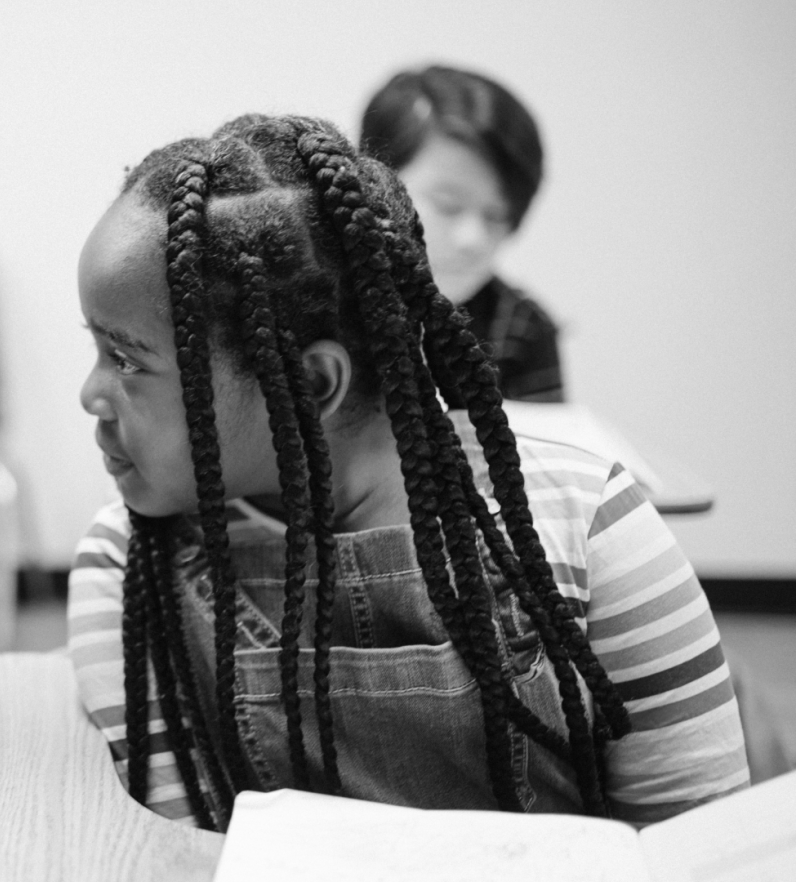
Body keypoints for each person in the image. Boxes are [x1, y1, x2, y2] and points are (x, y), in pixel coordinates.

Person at [68, 113, 747, 833]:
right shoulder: (127, 562)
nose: (90, 395)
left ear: (312, 386)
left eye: (128, 360)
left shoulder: (593, 528)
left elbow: (696, 849)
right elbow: (180, 852)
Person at [359, 64, 563, 402]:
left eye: (497, 216)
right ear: (371, 182)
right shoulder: (310, 296)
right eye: (448, 205)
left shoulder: (520, 330)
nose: (474, 239)